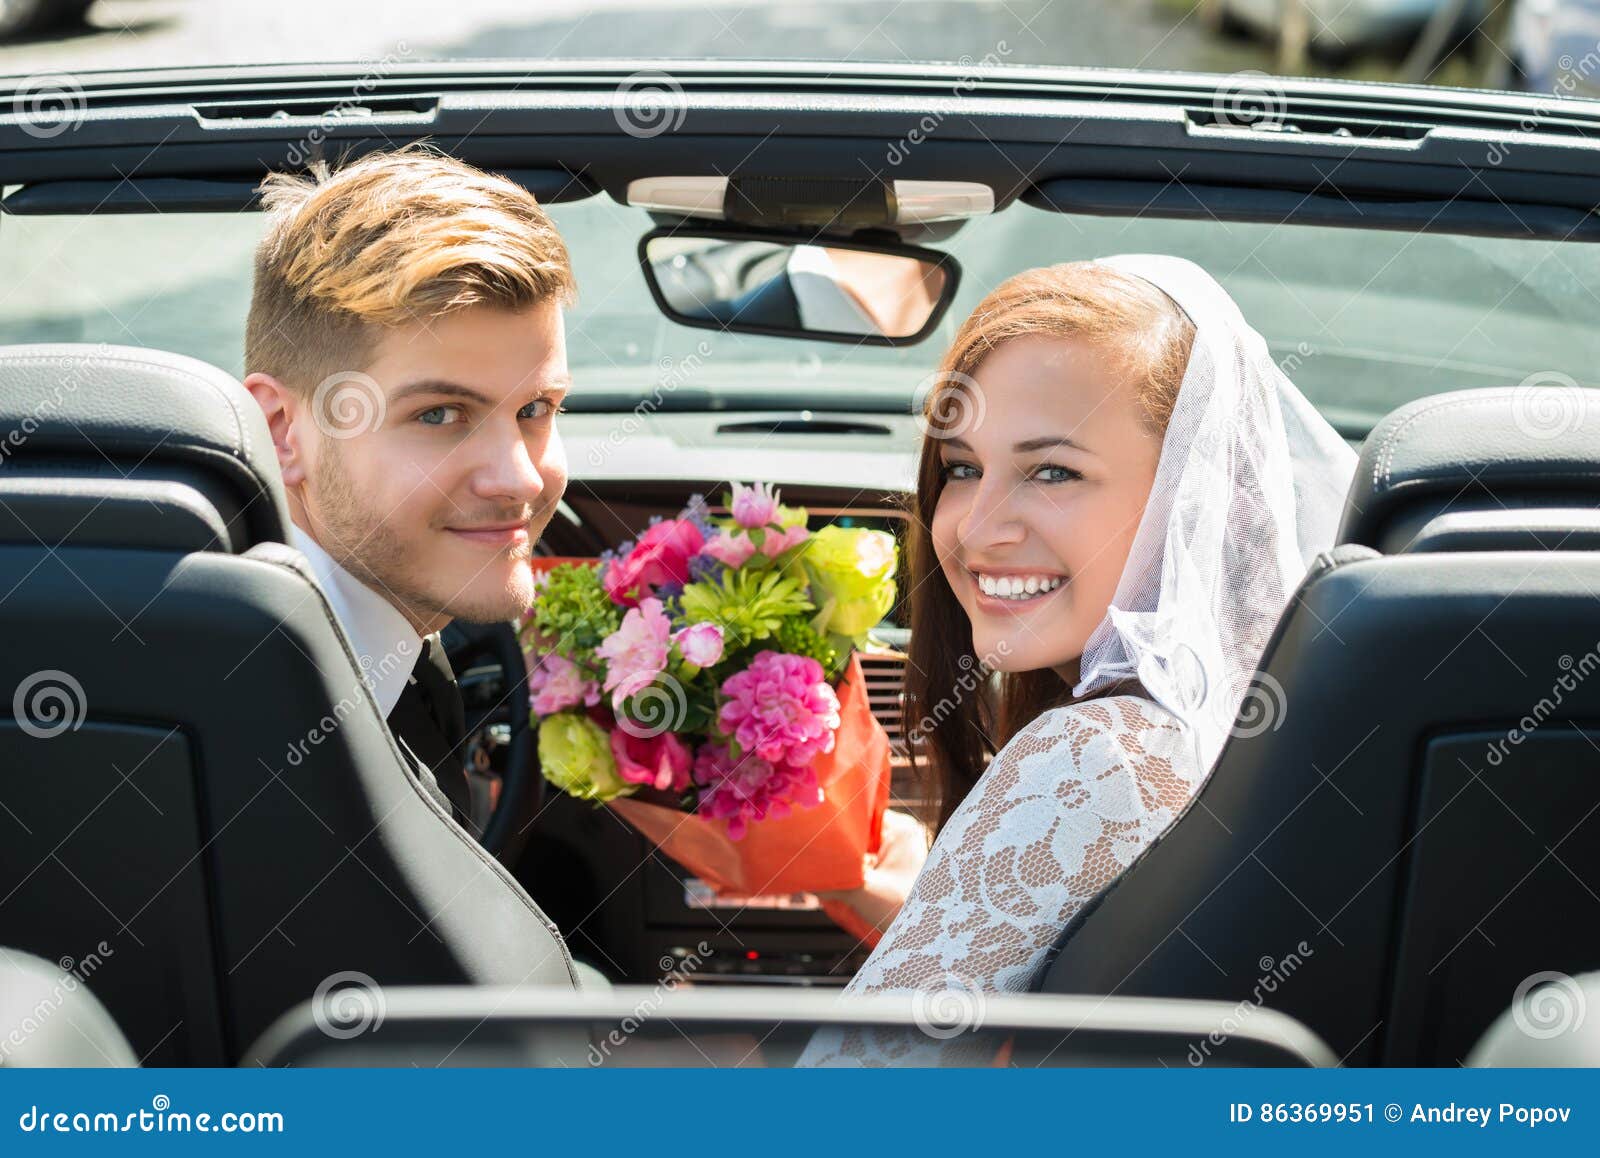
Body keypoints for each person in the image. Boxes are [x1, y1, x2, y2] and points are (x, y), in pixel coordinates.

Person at [801, 254, 1356, 1065]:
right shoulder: (1233, 727)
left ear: (1191, 495)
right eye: (962, 469)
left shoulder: (1094, 757)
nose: (975, 526)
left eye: (1053, 470)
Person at [243, 145, 576, 836]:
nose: (519, 478)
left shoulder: (377, 651)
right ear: (283, 431)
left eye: (536, 410)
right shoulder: (259, 754)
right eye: (438, 415)